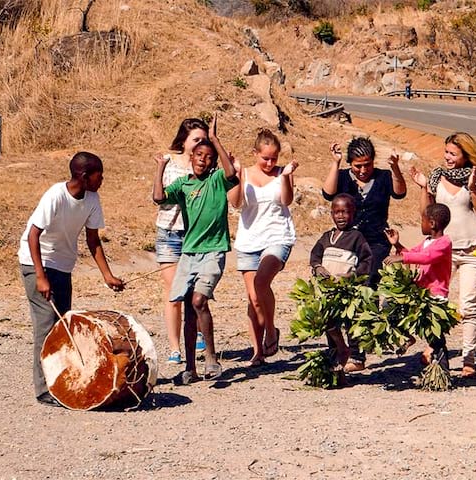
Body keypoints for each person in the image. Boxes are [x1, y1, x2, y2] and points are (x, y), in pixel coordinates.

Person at [19, 152, 125, 406]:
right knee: (46, 326)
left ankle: (62, 381)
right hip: (36, 263)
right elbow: (33, 235)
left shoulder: (92, 198)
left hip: (63, 266)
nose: (103, 179)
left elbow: (93, 240)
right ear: (85, 176)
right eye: (99, 174)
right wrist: (41, 277)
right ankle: (44, 390)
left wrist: (107, 276)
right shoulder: (56, 195)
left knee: (63, 325)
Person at [153, 113, 237, 384]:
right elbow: (159, 198)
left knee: (200, 300)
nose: (203, 159)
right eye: (199, 154)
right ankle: (190, 366)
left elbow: (232, 174)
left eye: (209, 156)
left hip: (214, 250)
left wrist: (215, 140)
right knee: (188, 307)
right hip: (189, 252)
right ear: (191, 158)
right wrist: (159, 168)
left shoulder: (216, 181)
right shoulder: (184, 184)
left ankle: (211, 357)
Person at [322, 136, 406, 372]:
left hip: (375, 243)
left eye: (367, 165)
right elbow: (328, 194)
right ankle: (338, 350)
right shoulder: (342, 178)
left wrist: (395, 168)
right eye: (357, 166)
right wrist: (335, 163)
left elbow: (400, 193)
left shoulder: (383, 178)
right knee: (338, 293)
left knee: (363, 288)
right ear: (350, 163)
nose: (362, 170)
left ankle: (358, 354)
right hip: (345, 245)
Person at [411, 132, 476, 378]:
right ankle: (435, 347)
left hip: (471, 249)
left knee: (468, 306)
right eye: (446, 152)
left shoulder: (474, 176)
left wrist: (473, 189)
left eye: (453, 154)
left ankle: (468, 359)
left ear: (465, 156)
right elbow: (426, 216)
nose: (447, 157)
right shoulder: (436, 176)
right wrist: (425, 187)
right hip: (442, 250)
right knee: (435, 303)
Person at [228, 129, 298, 367]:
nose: (270, 163)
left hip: (278, 237)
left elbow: (286, 201)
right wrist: (237, 175)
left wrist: (287, 176)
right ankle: (258, 353)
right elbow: (236, 203)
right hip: (249, 241)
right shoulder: (244, 173)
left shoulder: (282, 173)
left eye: (274, 158)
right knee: (254, 300)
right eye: (265, 158)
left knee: (261, 282)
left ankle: (271, 330)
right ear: (255, 153)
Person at [154, 118, 208, 365]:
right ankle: (175, 347)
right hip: (169, 233)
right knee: (173, 292)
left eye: (203, 139)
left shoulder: (205, 164)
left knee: (194, 290)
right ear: (184, 141)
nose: (200, 144)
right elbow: (161, 198)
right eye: (196, 139)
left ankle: (196, 333)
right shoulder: (169, 162)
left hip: (194, 234)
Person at [383, 203, 453, 371]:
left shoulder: (445, 243)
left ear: (432, 223)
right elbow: (414, 254)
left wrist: (402, 259)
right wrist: (397, 245)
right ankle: (407, 337)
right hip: (420, 295)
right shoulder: (427, 242)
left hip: (435, 296)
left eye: (422, 220)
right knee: (389, 307)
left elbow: (426, 258)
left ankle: (443, 372)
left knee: (434, 336)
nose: (420, 223)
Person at [310, 193, 372, 370]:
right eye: (337, 212)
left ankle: (357, 358)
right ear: (331, 214)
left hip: (348, 292)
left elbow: (367, 260)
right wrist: (317, 267)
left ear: (353, 213)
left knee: (352, 322)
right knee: (330, 322)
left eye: (345, 212)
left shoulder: (356, 237)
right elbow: (315, 255)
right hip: (328, 291)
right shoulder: (326, 237)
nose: (341, 216)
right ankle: (336, 353)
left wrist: (353, 277)